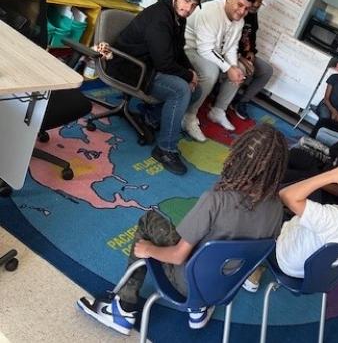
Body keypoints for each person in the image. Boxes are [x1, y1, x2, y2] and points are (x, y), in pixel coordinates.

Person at [77, 124, 288, 334]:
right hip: (224, 288)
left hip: (186, 282)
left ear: (236, 156)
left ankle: (123, 308)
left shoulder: (216, 200)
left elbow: (178, 256)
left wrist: (148, 250)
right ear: (276, 169)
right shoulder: (277, 209)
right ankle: (198, 309)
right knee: (210, 249)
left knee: (150, 220)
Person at [105, 0, 203, 175]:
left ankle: (151, 117)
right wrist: (188, 75)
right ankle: (165, 149)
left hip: (148, 64)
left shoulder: (178, 16)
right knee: (181, 90)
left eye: (193, 5)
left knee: (195, 88)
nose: (188, 8)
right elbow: (165, 63)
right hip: (131, 67)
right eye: (186, 1)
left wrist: (192, 73)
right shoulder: (160, 17)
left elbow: (177, 51)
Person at [182, 0, 255, 140]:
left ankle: (218, 110)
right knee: (210, 72)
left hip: (212, 51)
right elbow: (205, 50)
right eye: (239, 5)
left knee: (239, 69)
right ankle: (189, 116)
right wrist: (228, 68)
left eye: (247, 8)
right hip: (190, 48)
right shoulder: (210, 12)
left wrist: (234, 67)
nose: (242, 11)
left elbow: (231, 47)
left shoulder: (239, 21)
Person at [231, 0, 274, 120]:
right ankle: (221, 100)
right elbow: (228, 43)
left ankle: (241, 101)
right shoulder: (238, 13)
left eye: (260, 2)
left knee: (267, 70)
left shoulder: (253, 15)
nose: (256, 4)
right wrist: (241, 58)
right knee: (245, 68)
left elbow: (251, 36)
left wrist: (251, 52)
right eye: (254, 1)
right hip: (230, 53)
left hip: (242, 54)